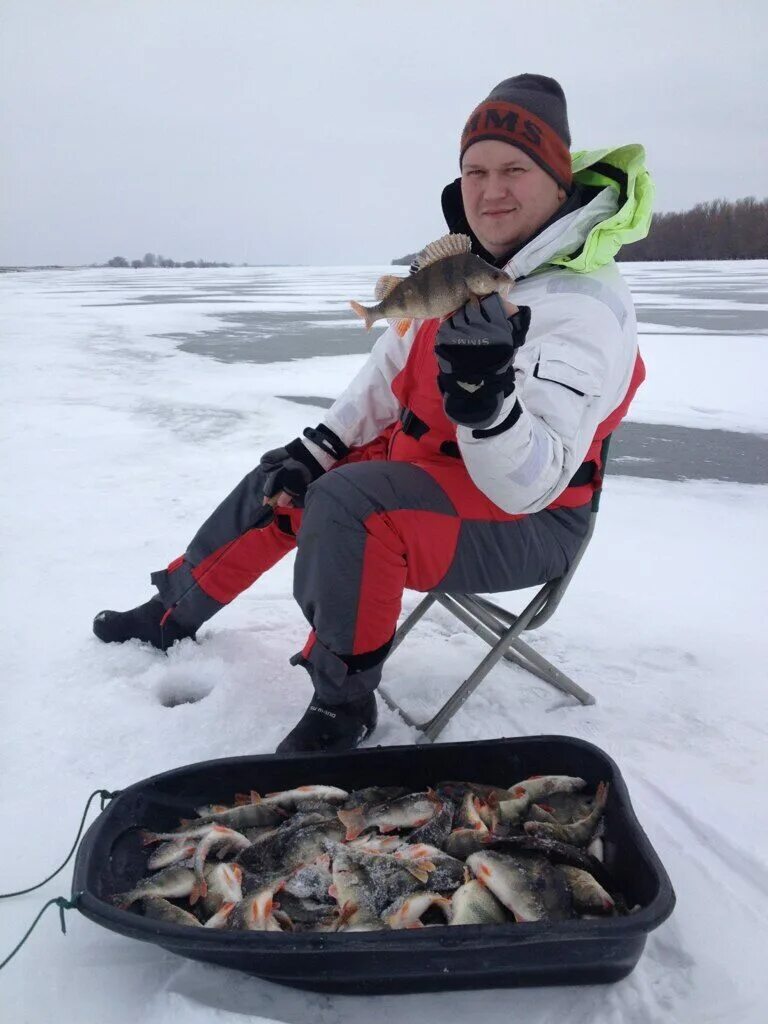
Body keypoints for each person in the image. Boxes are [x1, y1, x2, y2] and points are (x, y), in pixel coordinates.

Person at [93, 73, 653, 754]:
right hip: (427, 473)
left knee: (350, 506)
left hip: (529, 516)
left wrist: (489, 405)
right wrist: (319, 447)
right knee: (292, 475)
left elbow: (528, 482)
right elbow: (388, 375)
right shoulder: (471, 264)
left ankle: (343, 704)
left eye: (515, 169)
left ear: (558, 182)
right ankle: (170, 612)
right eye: (475, 170)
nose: (490, 189)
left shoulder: (582, 307)